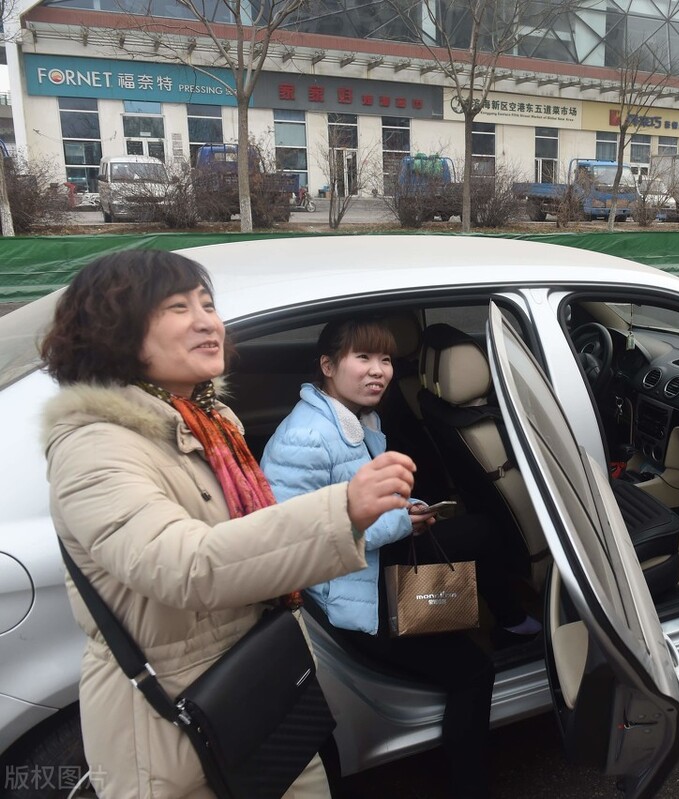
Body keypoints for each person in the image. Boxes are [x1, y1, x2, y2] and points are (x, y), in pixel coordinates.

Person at [40, 251, 416, 799]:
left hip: (256, 687)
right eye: (177, 307)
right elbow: (187, 567)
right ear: (115, 330)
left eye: (208, 304)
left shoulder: (211, 422)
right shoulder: (95, 446)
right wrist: (343, 511)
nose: (206, 321)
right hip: (175, 730)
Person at [259, 318, 539, 799]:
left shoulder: (354, 418)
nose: (379, 371)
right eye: (362, 358)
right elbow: (294, 537)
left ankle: (511, 620)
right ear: (327, 366)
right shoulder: (305, 437)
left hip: (368, 565)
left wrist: (409, 509)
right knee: (474, 673)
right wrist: (397, 523)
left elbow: (361, 500)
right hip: (348, 603)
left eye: (386, 359)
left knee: (480, 529)